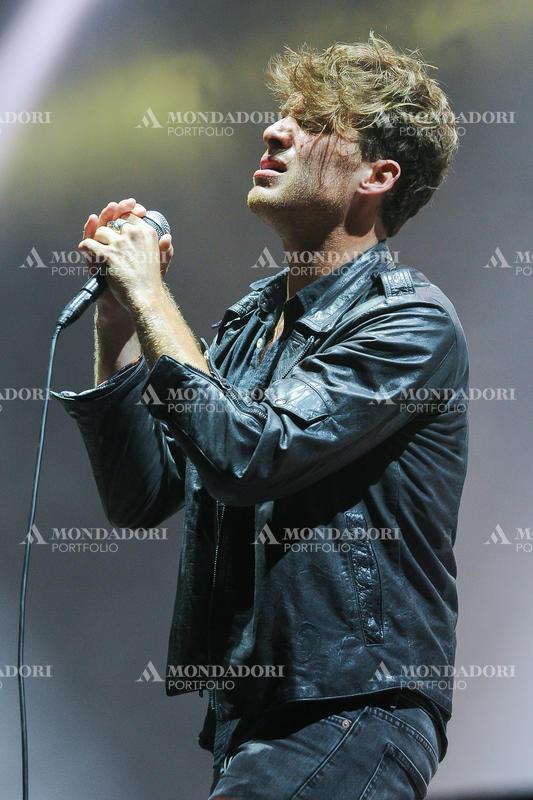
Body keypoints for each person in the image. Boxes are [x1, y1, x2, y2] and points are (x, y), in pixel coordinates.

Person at [55, 33, 468, 800]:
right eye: (280, 116)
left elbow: (249, 456)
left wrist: (153, 295)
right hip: (254, 714)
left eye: (311, 122)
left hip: (352, 704)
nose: (275, 131)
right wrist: (118, 323)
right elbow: (143, 495)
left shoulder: (410, 323)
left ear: (377, 176)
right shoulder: (250, 322)